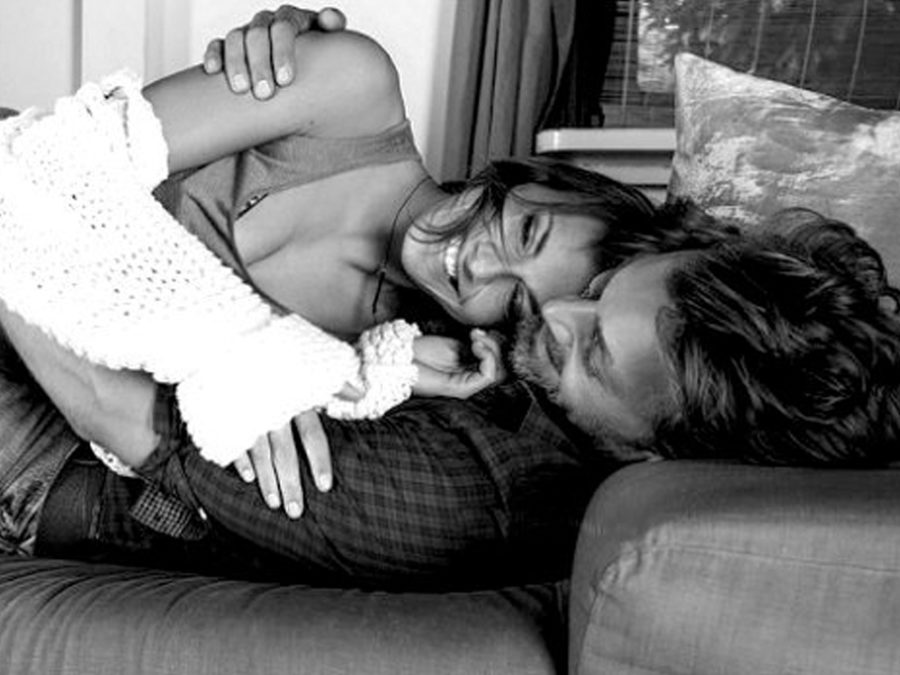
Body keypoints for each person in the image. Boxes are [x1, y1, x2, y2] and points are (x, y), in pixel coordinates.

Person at [0, 6, 663, 557]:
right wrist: (253, 348)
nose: (479, 265)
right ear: (526, 183)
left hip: (32, 365)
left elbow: (157, 425)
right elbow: (38, 163)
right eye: (524, 231)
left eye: (514, 297)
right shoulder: (355, 88)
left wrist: (365, 370)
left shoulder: (392, 358)